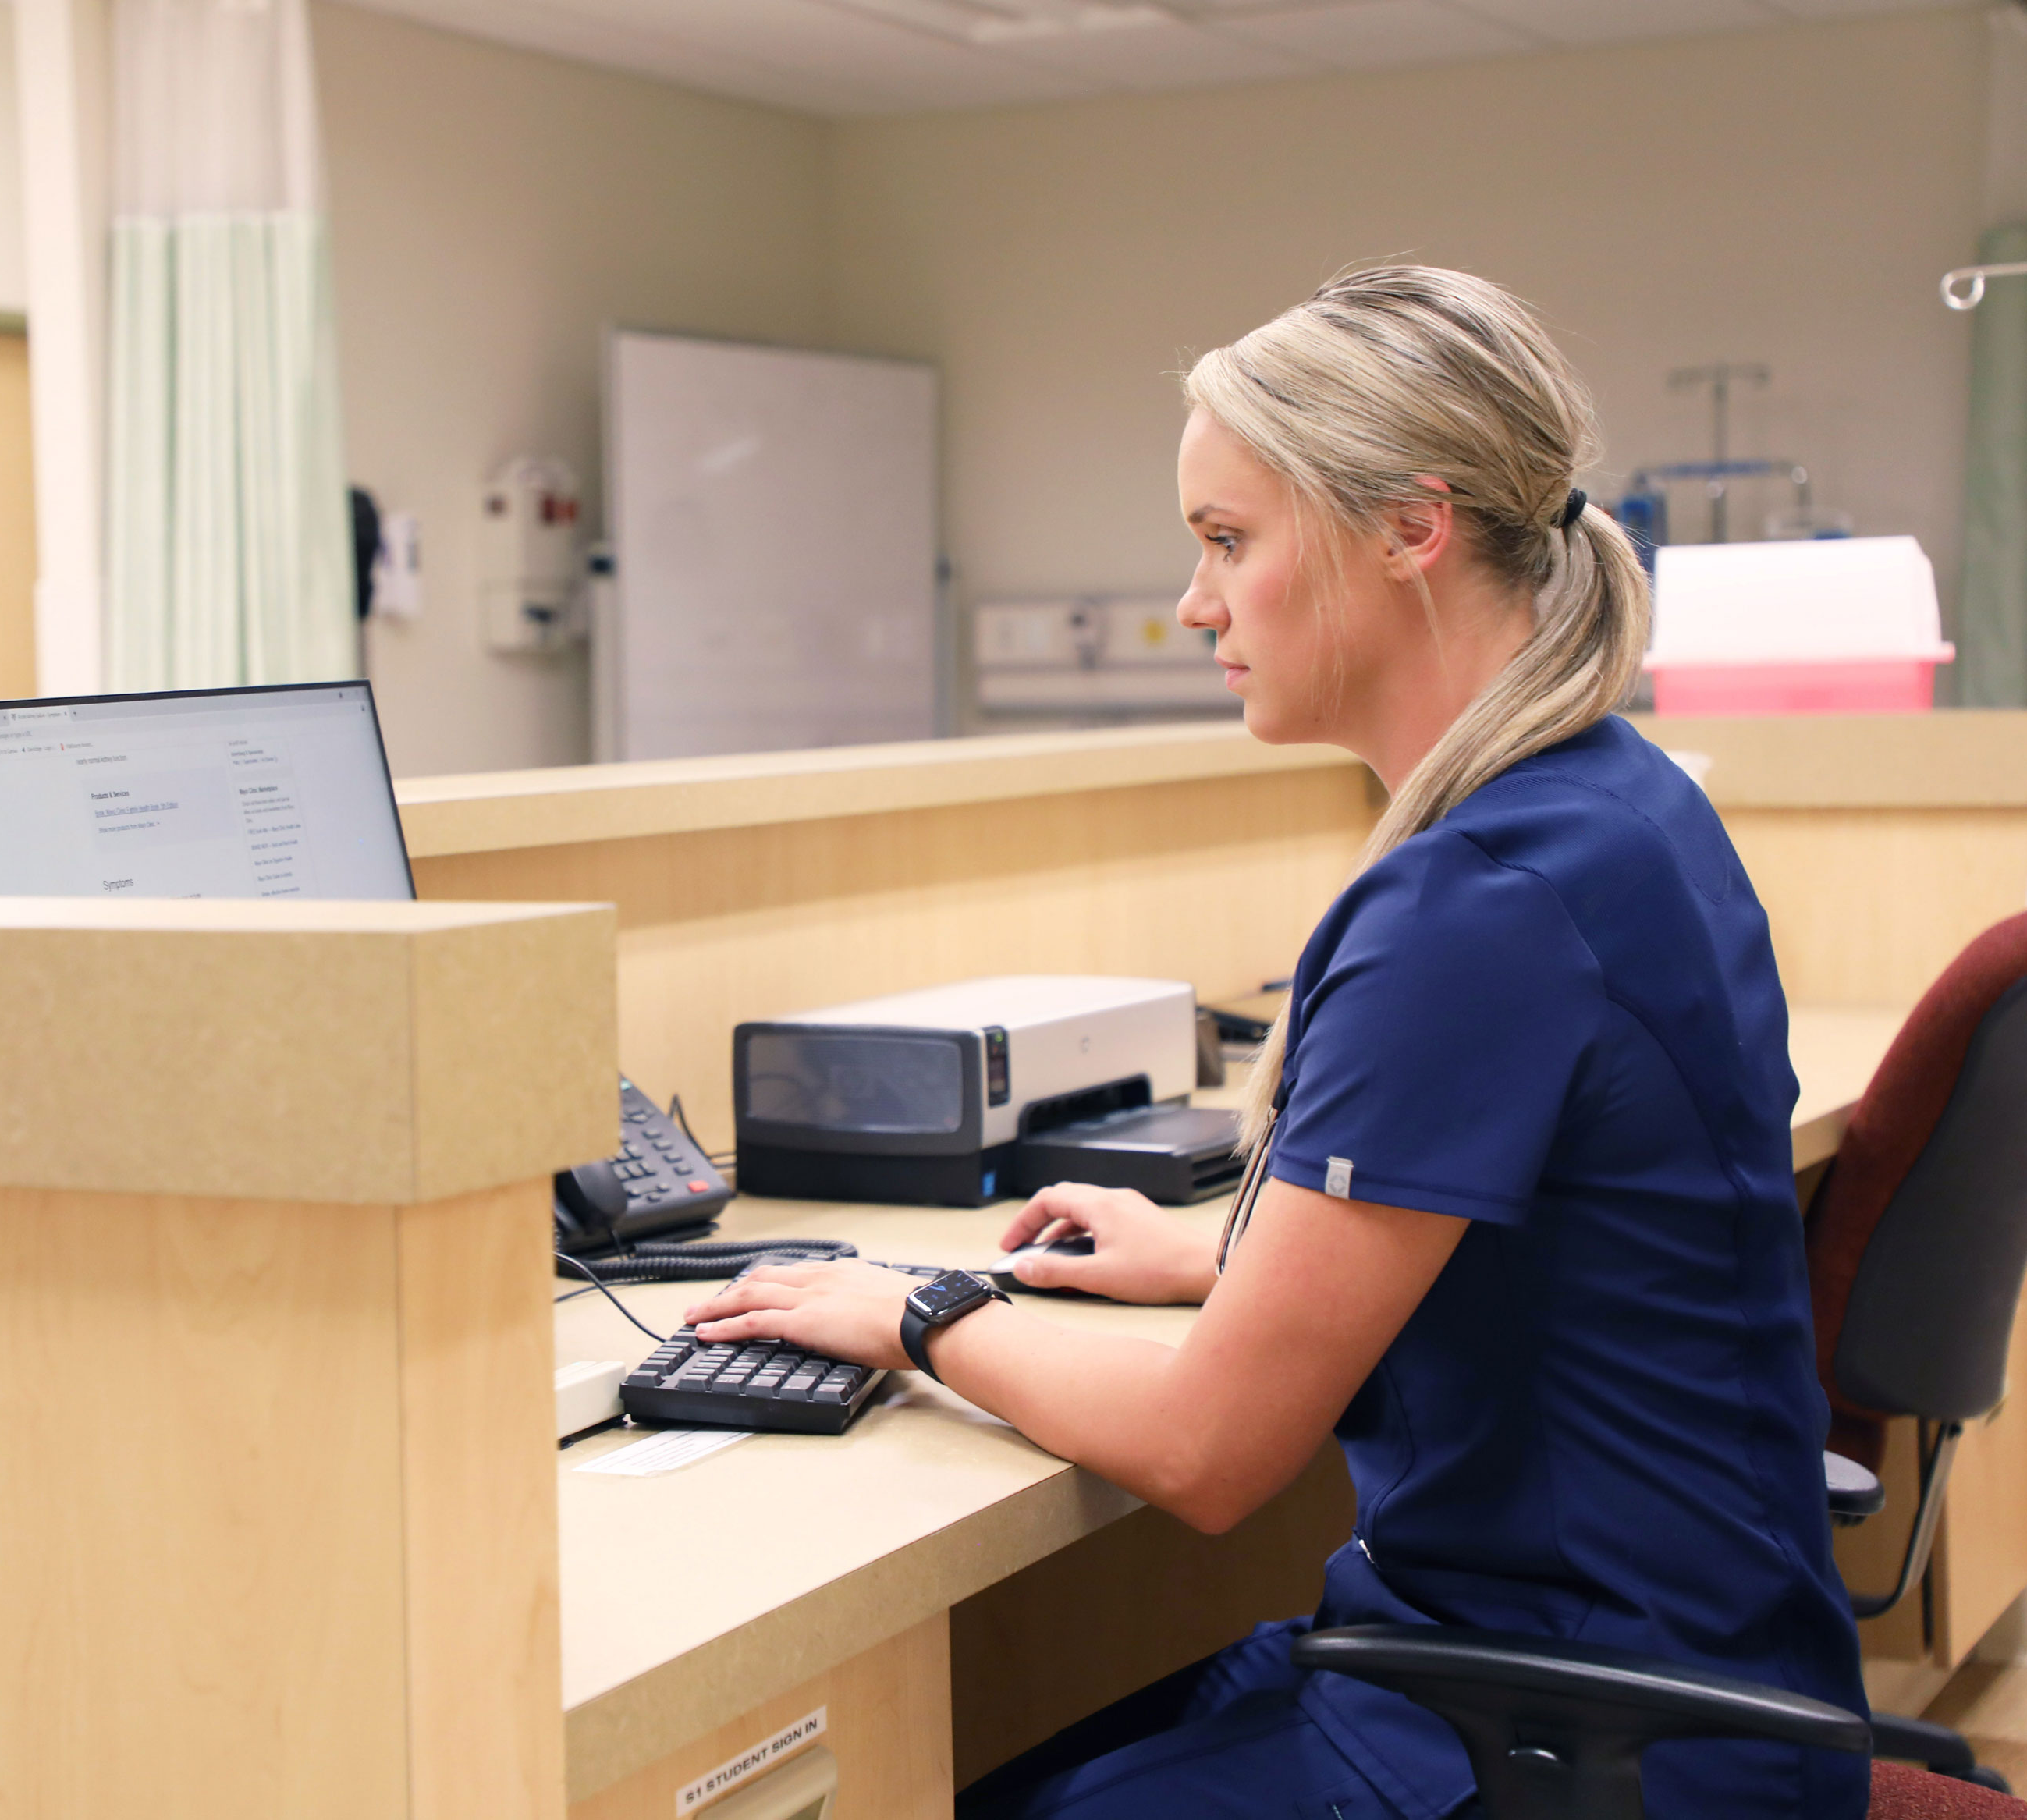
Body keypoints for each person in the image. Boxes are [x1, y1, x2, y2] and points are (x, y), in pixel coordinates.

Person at [683, 266, 1867, 1819]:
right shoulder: (1617, 803)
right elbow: (1554, 1247)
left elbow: (1206, 1449)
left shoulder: (1478, 903)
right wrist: (1219, 1266)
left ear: (1408, 528)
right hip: (1674, 1678)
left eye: (1228, 541)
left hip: (1585, 1739)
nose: (1193, 604)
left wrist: (919, 1310)